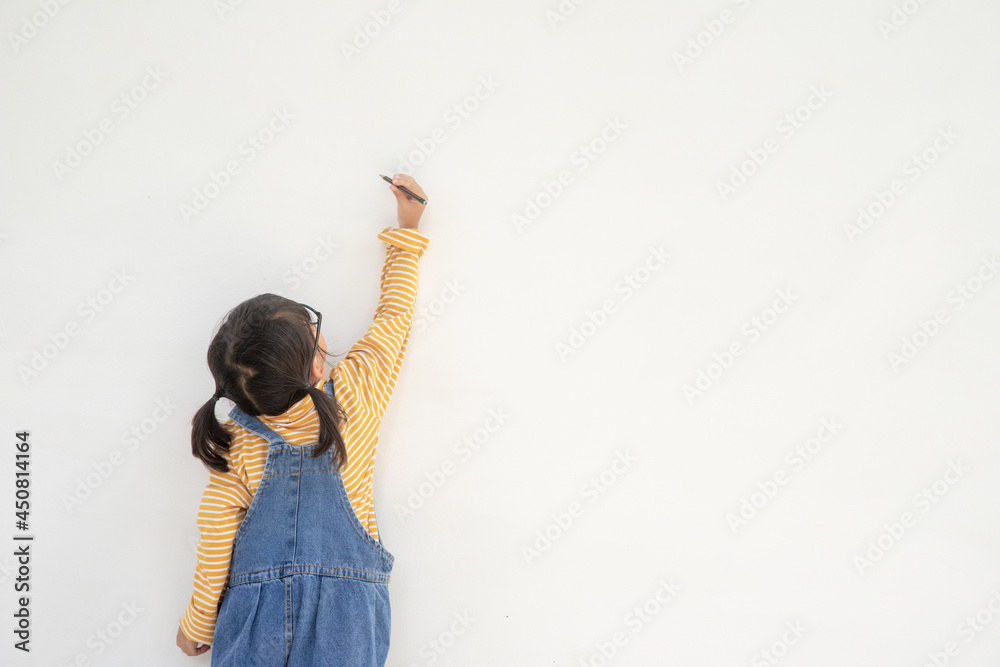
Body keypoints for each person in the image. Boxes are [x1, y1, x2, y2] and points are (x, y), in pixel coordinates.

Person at [175, 174, 429, 665]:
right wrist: (408, 231)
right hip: (347, 624)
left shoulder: (235, 446)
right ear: (317, 366)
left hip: (253, 623)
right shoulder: (354, 398)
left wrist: (196, 626)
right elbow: (393, 319)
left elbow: (214, 545)